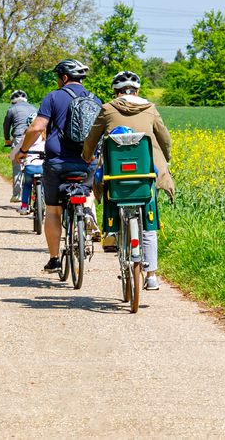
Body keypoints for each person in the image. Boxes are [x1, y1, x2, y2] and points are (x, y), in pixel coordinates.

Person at [82, 71, 174, 291]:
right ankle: (151, 275)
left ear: (116, 92)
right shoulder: (150, 108)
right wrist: (166, 159)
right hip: (148, 174)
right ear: (137, 90)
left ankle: (112, 233)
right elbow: (165, 139)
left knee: (111, 188)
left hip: (116, 174)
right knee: (149, 219)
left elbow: (91, 139)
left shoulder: (107, 109)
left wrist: (87, 156)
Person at [16, 60, 101, 273]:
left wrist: (23, 150)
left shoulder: (52, 97)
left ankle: (54, 259)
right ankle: (87, 214)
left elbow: (37, 128)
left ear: (64, 78)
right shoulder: (95, 99)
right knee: (87, 191)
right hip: (88, 162)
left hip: (57, 163)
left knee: (53, 209)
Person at [3, 90, 37, 202]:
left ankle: (17, 194)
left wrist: (7, 139)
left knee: (17, 166)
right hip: (34, 138)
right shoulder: (34, 108)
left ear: (13, 101)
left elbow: (6, 125)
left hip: (19, 138)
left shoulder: (12, 109)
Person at [9, 112, 44, 215]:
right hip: (43, 167)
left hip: (30, 167)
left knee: (27, 184)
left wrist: (12, 156)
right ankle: (45, 203)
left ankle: (24, 207)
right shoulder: (46, 137)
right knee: (45, 184)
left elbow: (15, 152)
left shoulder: (25, 137)